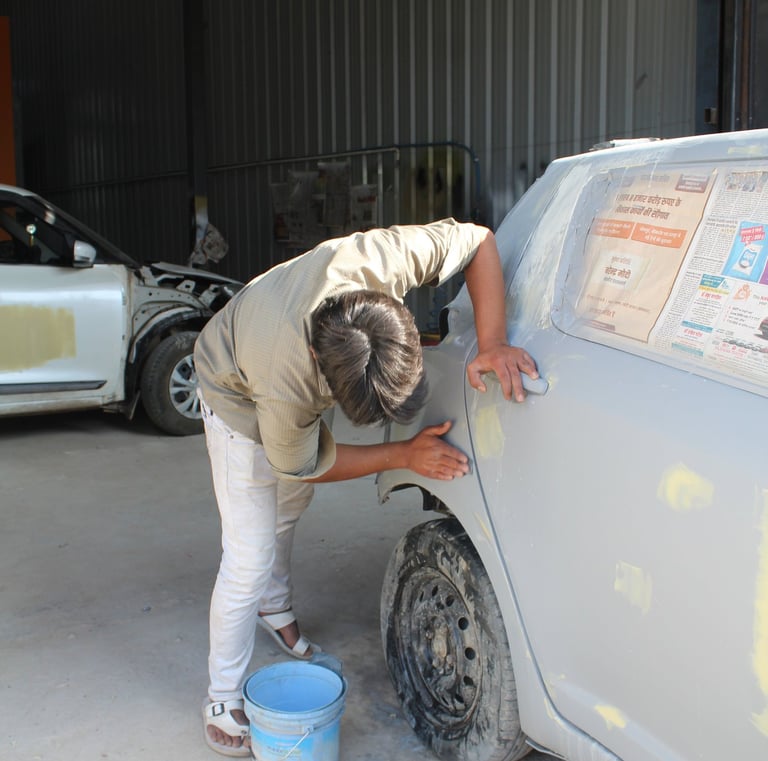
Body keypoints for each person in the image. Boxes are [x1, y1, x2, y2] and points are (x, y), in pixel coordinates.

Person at [194, 218, 538, 755]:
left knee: (289, 508)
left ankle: (272, 605)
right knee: (249, 556)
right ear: (320, 368)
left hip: (284, 339)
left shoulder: (379, 261)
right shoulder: (284, 383)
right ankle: (221, 694)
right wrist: (404, 454)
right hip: (231, 386)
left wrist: (491, 342)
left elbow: (478, 240)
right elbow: (303, 464)